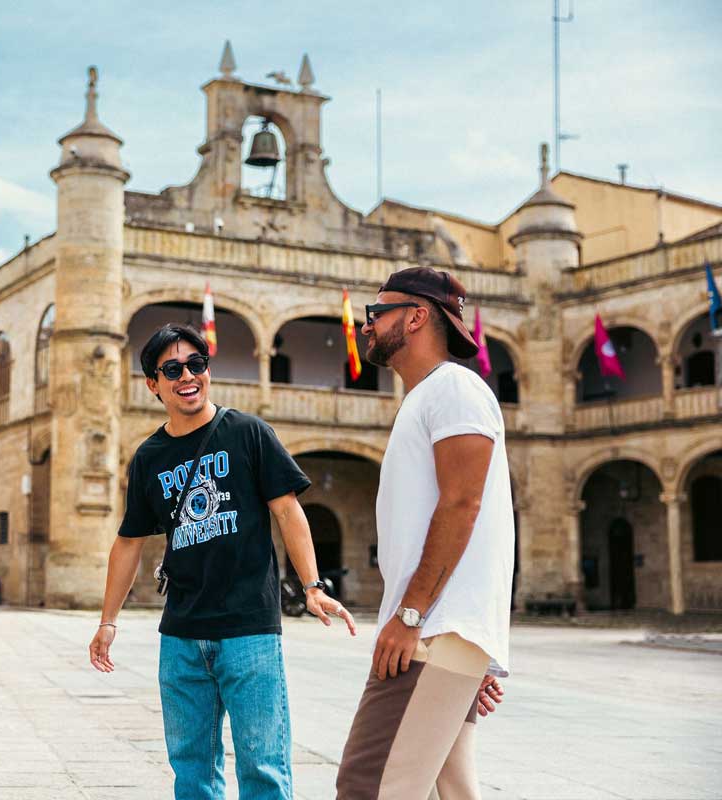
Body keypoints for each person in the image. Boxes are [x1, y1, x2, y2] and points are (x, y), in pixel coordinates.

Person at [89, 323, 357, 800]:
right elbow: (129, 542)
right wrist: (109, 621)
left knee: (264, 768)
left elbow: (288, 510)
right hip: (181, 635)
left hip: (249, 630)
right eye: (172, 369)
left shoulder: (249, 433)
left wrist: (313, 586)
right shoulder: (149, 456)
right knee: (191, 772)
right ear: (153, 383)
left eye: (197, 364)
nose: (187, 376)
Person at [336, 267, 514, 800]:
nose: (367, 326)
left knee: (369, 786)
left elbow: (463, 503)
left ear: (415, 316)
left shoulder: (454, 388)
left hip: (430, 632)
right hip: (444, 638)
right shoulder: (427, 397)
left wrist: (412, 614)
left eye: (376, 313)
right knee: (451, 790)